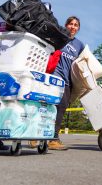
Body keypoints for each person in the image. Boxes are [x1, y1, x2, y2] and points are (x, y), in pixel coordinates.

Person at [29, 16, 84, 150]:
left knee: (62, 107)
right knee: (45, 104)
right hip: (53, 76)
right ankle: (35, 136)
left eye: (76, 25)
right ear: (66, 25)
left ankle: (53, 138)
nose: (73, 27)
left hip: (67, 80)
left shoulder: (79, 45)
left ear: (78, 28)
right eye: (70, 24)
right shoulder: (58, 37)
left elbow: (81, 64)